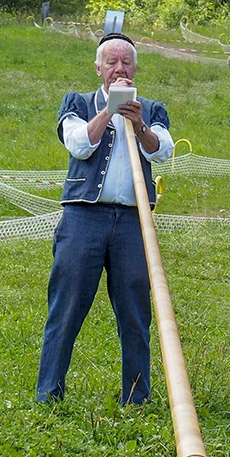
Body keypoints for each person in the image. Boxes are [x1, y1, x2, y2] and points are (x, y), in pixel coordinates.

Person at [36, 33, 175, 404]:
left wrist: (140, 124)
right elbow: (79, 144)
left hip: (134, 222)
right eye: (111, 62)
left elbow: (162, 152)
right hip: (83, 217)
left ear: (135, 68)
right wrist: (109, 111)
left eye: (126, 62)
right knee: (66, 306)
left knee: (135, 310)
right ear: (98, 68)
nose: (119, 69)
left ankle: (136, 397)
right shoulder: (78, 103)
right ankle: (48, 392)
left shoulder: (152, 108)